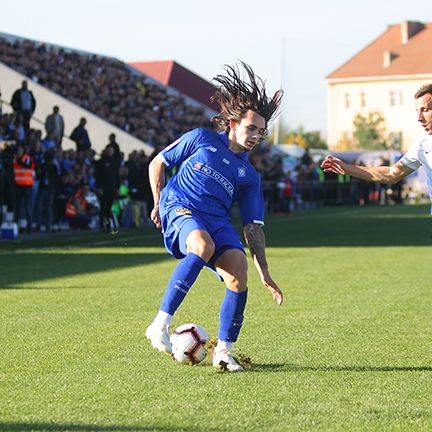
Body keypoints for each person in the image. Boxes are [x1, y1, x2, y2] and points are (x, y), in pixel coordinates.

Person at [145, 62, 284, 372]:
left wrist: (264, 272)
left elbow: (252, 228)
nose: (255, 136)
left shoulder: (249, 176)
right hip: (181, 204)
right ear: (233, 123)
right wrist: (157, 203)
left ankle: (223, 351)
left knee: (238, 271)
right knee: (201, 245)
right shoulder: (201, 139)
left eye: (260, 132)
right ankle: (159, 324)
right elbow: (158, 163)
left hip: (216, 219)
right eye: (251, 128)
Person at [321, 83, 432, 212]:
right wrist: (347, 168)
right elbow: (391, 174)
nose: (419, 118)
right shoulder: (422, 143)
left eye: (425, 110)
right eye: (418, 111)